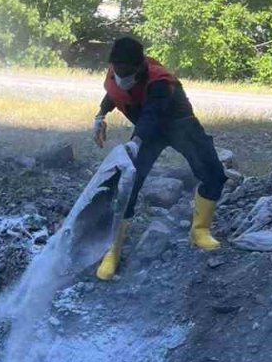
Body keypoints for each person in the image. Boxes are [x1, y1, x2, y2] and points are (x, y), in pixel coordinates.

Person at [92, 35, 227, 280]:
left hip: (179, 124)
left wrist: (136, 142)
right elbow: (114, 94)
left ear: (140, 66)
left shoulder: (159, 81)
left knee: (214, 174)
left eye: (126, 72)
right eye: (117, 70)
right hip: (147, 132)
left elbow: (152, 115)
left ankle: (199, 231)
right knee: (129, 182)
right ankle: (113, 250)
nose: (121, 76)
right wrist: (100, 115)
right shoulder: (115, 74)